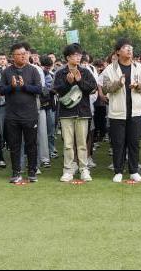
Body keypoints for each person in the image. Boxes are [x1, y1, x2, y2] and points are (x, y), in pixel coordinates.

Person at [99, 39, 141, 184]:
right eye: (125, 47)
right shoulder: (110, 69)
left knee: (134, 142)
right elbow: (105, 88)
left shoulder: (139, 67)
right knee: (118, 143)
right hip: (117, 112)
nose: (129, 50)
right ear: (117, 52)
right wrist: (118, 84)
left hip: (135, 111)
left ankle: (134, 171)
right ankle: (118, 171)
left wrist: (138, 85)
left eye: (130, 47)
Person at [0, 42, 44, 184]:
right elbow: (1, 90)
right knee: (14, 145)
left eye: (24, 54)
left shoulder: (33, 70)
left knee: (31, 144)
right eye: (19, 54)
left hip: (30, 114)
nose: (23, 56)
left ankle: (32, 171)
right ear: (13, 56)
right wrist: (11, 87)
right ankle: (16, 172)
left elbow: (39, 89)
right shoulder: (7, 72)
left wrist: (25, 87)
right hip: (12, 115)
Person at [53, 44, 98, 183]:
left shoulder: (85, 72)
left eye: (79, 55)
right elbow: (57, 90)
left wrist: (79, 81)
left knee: (82, 143)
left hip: (82, 111)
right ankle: (68, 169)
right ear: (68, 57)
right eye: (75, 55)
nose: (78, 57)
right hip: (66, 112)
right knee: (68, 143)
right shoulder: (60, 72)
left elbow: (93, 88)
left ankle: (84, 168)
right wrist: (68, 82)